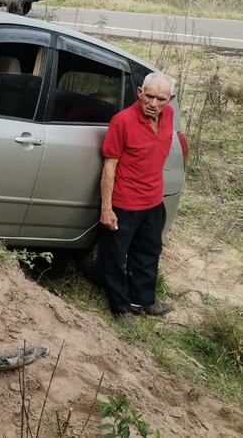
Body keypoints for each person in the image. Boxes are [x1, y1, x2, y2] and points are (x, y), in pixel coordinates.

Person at [99, 72, 176, 328]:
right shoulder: (122, 121)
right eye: (149, 96)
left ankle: (143, 300)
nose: (153, 103)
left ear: (170, 99)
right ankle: (120, 307)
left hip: (153, 199)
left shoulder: (169, 116)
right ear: (140, 92)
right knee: (115, 256)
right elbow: (109, 166)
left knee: (149, 251)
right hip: (125, 201)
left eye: (161, 99)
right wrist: (107, 208)